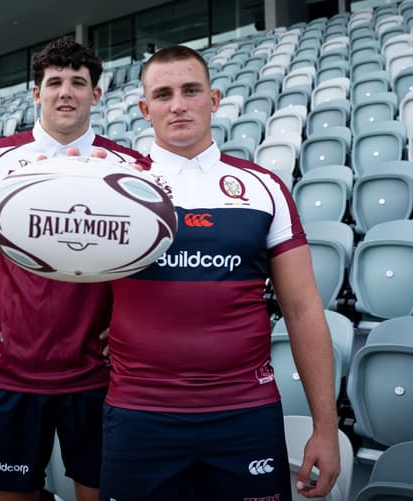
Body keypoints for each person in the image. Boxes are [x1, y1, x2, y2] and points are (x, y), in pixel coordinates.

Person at [99, 45, 341, 501]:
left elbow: (303, 309)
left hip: (245, 415)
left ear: (214, 99)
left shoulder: (263, 187)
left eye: (191, 91)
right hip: (140, 414)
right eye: (164, 94)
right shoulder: (112, 188)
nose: (178, 104)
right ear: (144, 108)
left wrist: (324, 429)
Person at [0, 36, 143, 501]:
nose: (66, 92)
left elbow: (155, 255)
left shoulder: (129, 167)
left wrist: (131, 321)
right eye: (55, 82)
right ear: (35, 93)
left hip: (99, 375)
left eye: (78, 83)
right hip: (10, 371)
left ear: (96, 95)